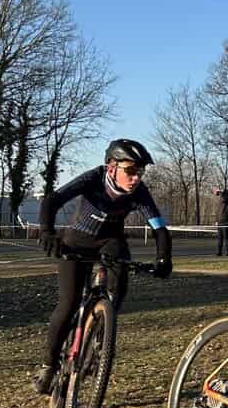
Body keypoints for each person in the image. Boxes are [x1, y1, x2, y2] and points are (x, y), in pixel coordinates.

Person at [32, 139, 173, 394]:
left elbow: (159, 228)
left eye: (140, 173)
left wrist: (164, 258)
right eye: (131, 171)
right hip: (75, 241)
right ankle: (49, 364)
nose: (136, 178)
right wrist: (47, 232)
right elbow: (52, 200)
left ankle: (101, 335)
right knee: (69, 303)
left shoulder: (139, 193)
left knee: (119, 282)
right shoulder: (93, 179)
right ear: (111, 168)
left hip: (111, 242)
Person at [214, 186, 228, 256]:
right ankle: (219, 252)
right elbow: (218, 211)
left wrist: (219, 192)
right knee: (219, 238)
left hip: (226, 222)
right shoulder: (222, 201)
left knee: (226, 237)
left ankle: (227, 252)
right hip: (220, 222)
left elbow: (224, 199)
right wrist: (216, 220)